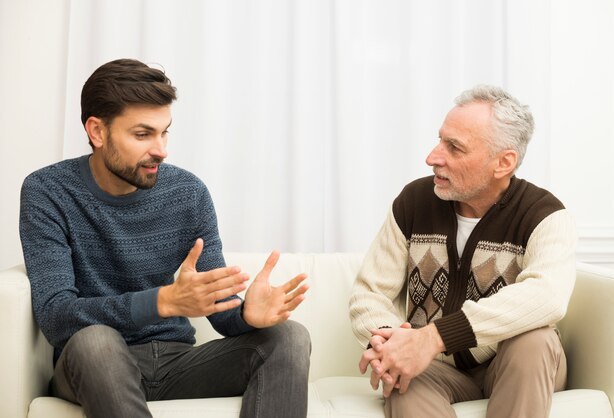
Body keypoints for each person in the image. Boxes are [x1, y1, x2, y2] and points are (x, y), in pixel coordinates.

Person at [19, 58, 311, 418]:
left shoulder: (188, 193)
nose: (161, 149)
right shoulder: (48, 191)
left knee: (289, 337)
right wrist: (162, 302)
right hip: (94, 362)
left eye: (164, 132)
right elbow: (56, 316)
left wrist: (247, 315)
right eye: (143, 134)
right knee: (96, 341)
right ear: (97, 131)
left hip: (177, 362)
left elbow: (221, 312)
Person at [349, 85, 577, 418]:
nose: (433, 157)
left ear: (503, 162)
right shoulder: (413, 203)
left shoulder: (543, 214)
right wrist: (391, 342)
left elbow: (547, 296)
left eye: (454, 147)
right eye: (440, 140)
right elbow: (369, 293)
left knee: (534, 340)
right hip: (437, 370)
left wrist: (434, 337)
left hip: (513, 364)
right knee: (402, 380)